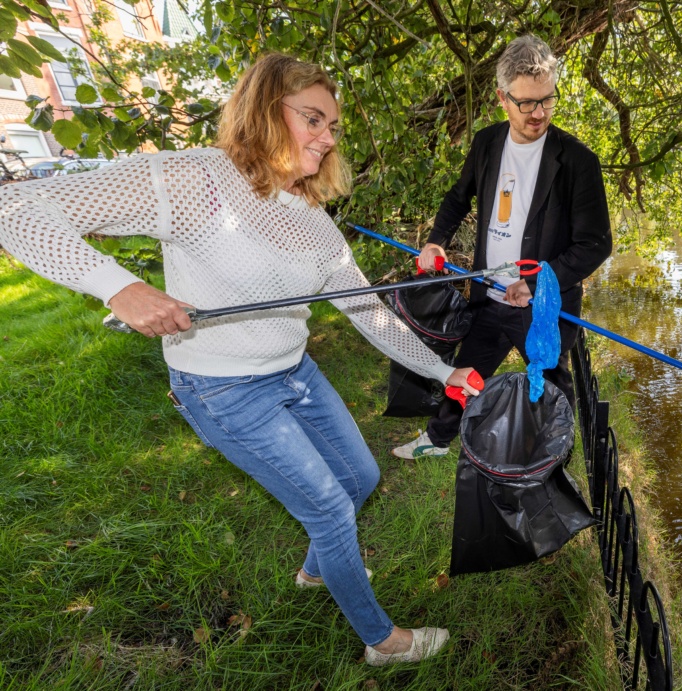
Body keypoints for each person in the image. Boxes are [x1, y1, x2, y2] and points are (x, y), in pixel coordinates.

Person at [0, 53, 479, 666]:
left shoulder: (312, 220)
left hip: (296, 374)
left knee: (360, 479)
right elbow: (20, 212)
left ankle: (316, 572)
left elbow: (370, 312)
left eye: (332, 126)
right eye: (313, 118)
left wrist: (445, 370)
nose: (328, 137)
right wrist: (117, 285)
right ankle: (382, 642)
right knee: (332, 510)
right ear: (264, 110)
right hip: (223, 389)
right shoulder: (193, 179)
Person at [393, 34, 612, 460]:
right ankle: (438, 439)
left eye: (547, 100)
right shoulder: (487, 143)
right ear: (501, 98)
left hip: (543, 307)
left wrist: (535, 283)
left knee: (553, 388)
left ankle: (554, 460)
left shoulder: (578, 162)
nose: (539, 113)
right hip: (488, 295)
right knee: (467, 371)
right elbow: (459, 198)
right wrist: (436, 239)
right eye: (526, 102)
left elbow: (595, 245)